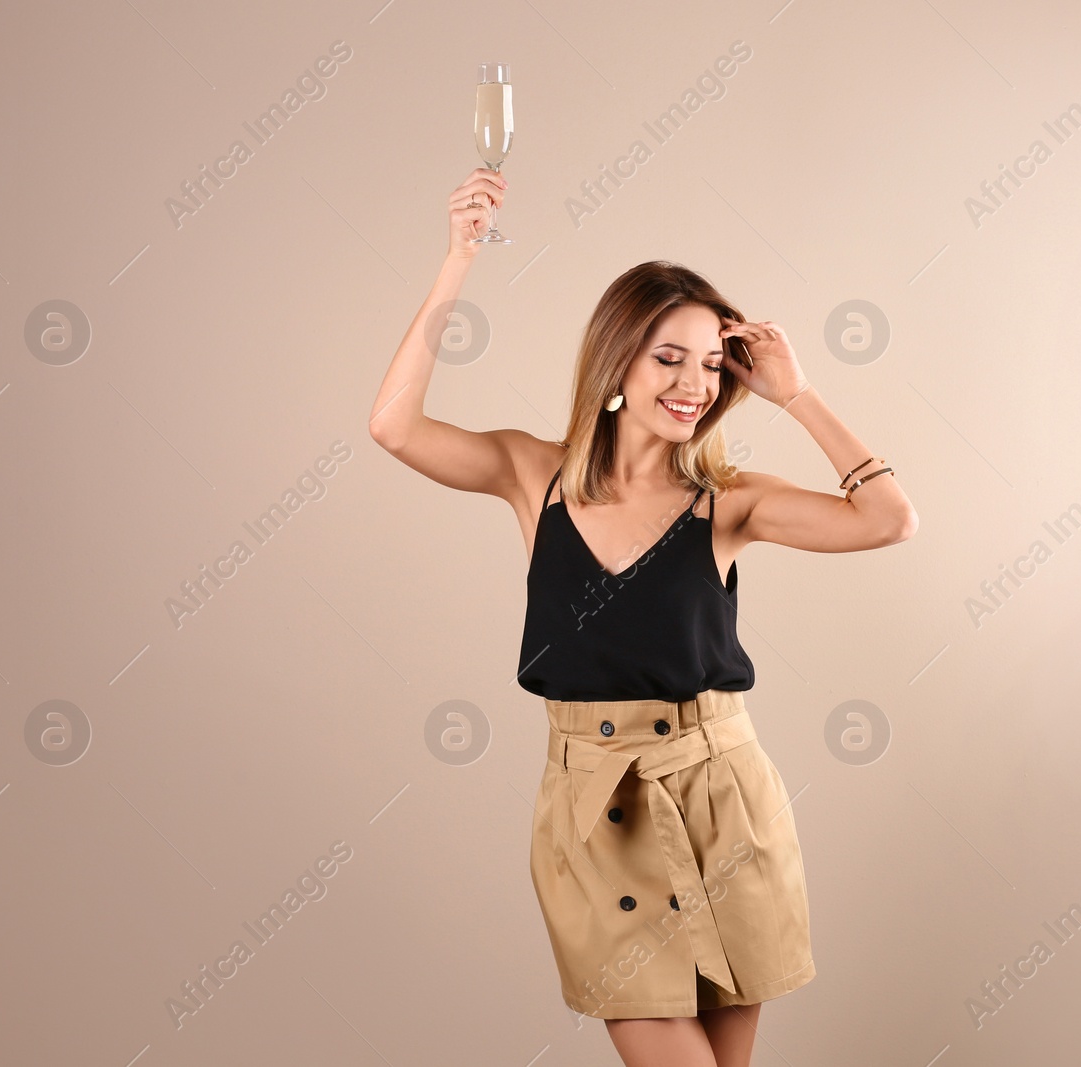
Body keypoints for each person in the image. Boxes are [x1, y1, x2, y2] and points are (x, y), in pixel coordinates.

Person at [368, 168, 918, 1067]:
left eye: (711, 364)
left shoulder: (729, 502)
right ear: (617, 359)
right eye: (670, 357)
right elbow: (393, 424)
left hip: (722, 800)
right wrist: (457, 259)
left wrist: (798, 393)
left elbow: (889, 519)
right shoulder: (531, 473)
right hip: (594, 811)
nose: (694, 384)